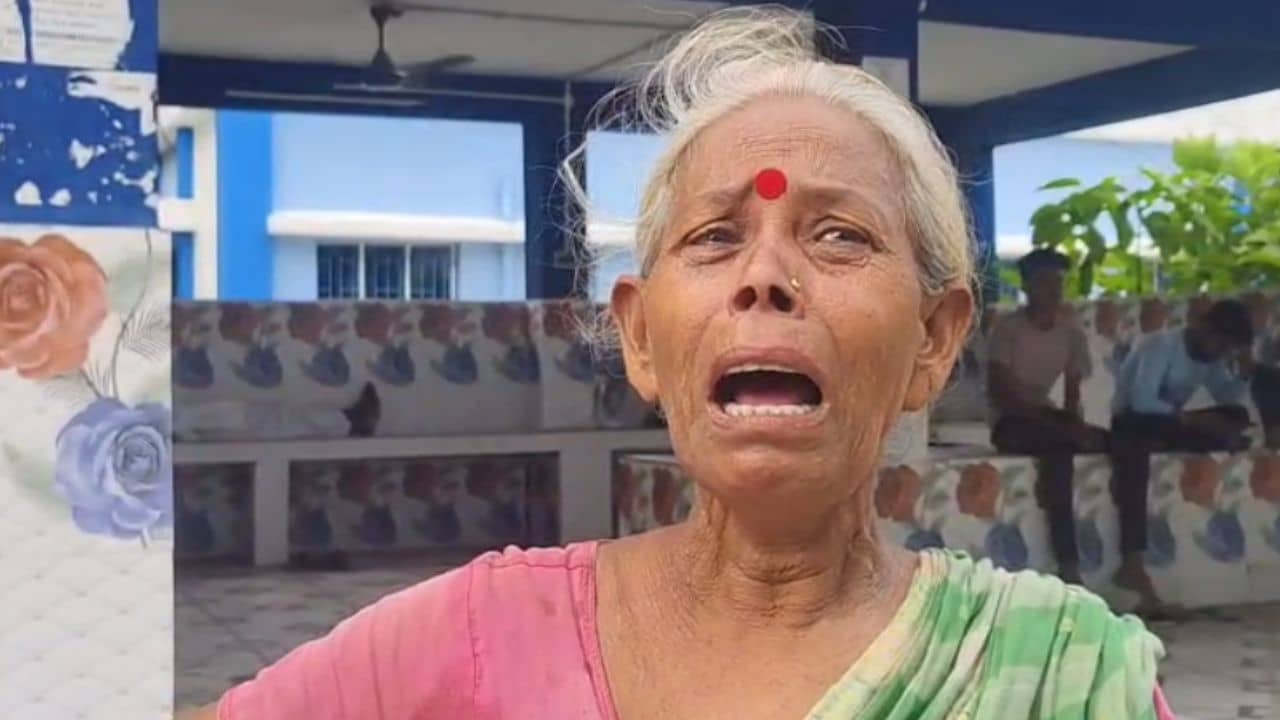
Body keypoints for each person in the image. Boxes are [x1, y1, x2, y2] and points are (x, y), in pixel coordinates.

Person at [186, 9, 1173, 719]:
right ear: (641, 338)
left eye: (837, 235)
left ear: (935, 339)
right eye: (714, 237)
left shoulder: (1064, 676)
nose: (765, 276)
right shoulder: (481, 629)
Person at [1111, 298, 1257, 611]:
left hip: (1172, 425)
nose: (1221, 353)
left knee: (1236, 416)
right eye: (1221, 344)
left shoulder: (1209, 357)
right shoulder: (1160, 345)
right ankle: (1131, 563)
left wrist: (1244, 373)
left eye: (1227, 349)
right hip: (1134, 423)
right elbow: (1141, 400)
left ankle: (1212, 438)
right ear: (1205, 329)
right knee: (1138, 448)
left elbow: (1225, 396)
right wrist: (1191, 421)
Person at [986, 248, 1107, 585]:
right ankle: (1068, 564)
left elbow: (1072, 391)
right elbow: (1000, 392)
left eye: (1057, 283)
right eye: (1044, 283)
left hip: (1051, 420)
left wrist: (1073, 424)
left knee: (1120, 444)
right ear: (1027, 287)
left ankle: (1130, 560)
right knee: (1059, 451)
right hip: (1012, 423)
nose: (1053, 291)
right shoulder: (1009, 330)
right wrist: (1059, 426)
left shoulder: (1070, 332)